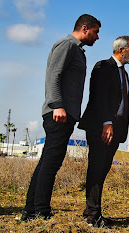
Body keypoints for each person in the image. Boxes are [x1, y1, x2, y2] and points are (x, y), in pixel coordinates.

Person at [21, 14, 101, 221]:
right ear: (85, 28)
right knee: (51, 162)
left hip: (66, 114)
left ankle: (31, 211)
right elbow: (53, 75)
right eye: (96, 32)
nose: (97, 37)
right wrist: (57, 105)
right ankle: (41, 211)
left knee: (48, 161)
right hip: (58, 113)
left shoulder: (78, 51)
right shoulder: (66, 45)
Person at [78, 36, 129, 227]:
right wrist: (106, 122)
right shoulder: (103, 67)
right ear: (122, 50)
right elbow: (99, 98)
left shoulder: (124, 74)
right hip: (101, 127)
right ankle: (93, 214)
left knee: (102, 169)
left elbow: (118, 100)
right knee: (96, 167)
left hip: (117, 128)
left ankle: (91, 209)